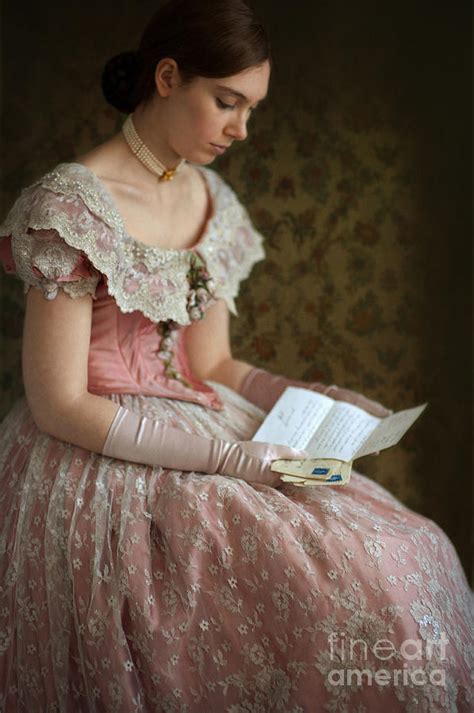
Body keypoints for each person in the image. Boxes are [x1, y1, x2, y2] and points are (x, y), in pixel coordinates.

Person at [0, 0, 472, 710]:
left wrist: (310, 394)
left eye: (251, 109)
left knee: (411, 548)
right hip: (98, 448)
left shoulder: (209, 196)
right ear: (167, 77)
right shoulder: (72, 207)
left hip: (205, 416)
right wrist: (226, 461)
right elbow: (60, 403)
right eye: (227, 103)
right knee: (324, 580)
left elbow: (213, 364)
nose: (242, 129)